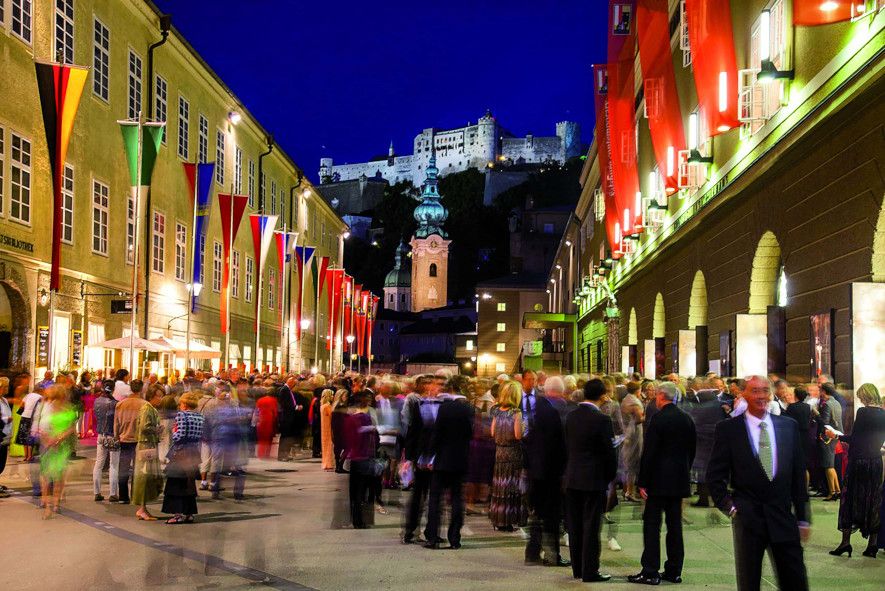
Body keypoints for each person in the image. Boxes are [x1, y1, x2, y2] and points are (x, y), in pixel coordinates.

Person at [706, 376, 810, 591]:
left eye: (765, 390)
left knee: (795, 579)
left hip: (783, 516)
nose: (761, 396)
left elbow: (798, 476)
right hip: (748, 519)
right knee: (749, 581)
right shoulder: (729, 429)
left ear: (770, 394)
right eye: (755, 391)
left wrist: (803, 518)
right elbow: (715, 475)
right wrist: (730, 507)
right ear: (744, 394)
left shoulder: (788, 427)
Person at [629, 382, 696, 585]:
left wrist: (643, 482)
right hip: (678, 480)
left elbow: (650, 452)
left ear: (660, 396)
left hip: (657, 481)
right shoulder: (686, 419)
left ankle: (650, 570)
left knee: (652, 525)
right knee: (675, 526)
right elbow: (691, 450)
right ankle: (674, 570)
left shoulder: (658, 419)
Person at [564, 378, 617, 583]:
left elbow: (566, 446)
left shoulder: (571, 416)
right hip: (593, 479)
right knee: (591, 527)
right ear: (602, 395)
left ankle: (577, 568)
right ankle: (590, 570)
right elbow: (609, 453)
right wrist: (609, 476)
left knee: (575, 525)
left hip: (573, 477)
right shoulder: (602, 420)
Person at [828, 383, 885, 558]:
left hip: (859, 462)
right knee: (873, 500)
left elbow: (856, 439)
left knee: (850, 498)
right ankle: (872, 545)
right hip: (875, 462)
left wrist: (836, 435)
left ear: (865, 396)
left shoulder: (863, 413)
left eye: (861, 397)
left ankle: (846, 543)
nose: (859, 400)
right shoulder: (883, 414)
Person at [522, 376, 568, 567]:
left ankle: (532, 552)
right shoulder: (558, 410)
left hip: (536, 469)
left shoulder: (535, 408)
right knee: (551, 515)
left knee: (537, 512)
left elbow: (527, 439)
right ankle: (552, 555)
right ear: (561, 391)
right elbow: (560, 444)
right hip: (552, 471)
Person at [424, 390, 474, 549]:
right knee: (457, 500)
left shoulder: (444, 409)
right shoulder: (468, 409)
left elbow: (437, 434)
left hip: (442, 460)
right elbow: (470, 434)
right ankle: (455, 539)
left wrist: (430, 456)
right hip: (460, 460)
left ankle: (432, 537)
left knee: (435, 500)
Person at [488, 381, 527, 532]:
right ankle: (508, 520)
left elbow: (492, 432)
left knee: (499, 486)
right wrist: (525, 427)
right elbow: (518, 435)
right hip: (512, 454)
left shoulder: (497, 411)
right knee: (510, 487)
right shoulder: (516, 413)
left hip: (499, 454)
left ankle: (498, 519)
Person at [36, 385, 78, 518]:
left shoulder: (48, 407)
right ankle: (54, 503)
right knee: (56, 475)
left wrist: (53, 439)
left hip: (51, 444)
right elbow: (71, 428)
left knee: (49, 475)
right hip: (56, 444)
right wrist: (58, 438)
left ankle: (50, 505)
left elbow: (41, 427)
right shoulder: (66, 408)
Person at [162, 392, 204, 524]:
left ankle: (178, 514)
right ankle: (189, 513)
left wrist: (174, 432)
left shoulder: (182, 415)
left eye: (180, 403)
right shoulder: (200, 416)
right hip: (194, 451)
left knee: (176, 484)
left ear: (184, 404)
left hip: (181, 452)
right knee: (188, 483)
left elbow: (178, 436)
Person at [131, 385, 164, 520]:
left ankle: (143, 508)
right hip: (146, 446)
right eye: (158, 396)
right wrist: (156, 429)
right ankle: (142, 508)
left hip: (148, 444)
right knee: (145, 476)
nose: (160, 399)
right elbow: (144, 427)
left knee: (147, 476)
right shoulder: (147, 408)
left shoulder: (150, 408)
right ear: (151, 396)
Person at [114, 379, 147, 505]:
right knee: (137, 469)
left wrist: (117, 436)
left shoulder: (121, 404)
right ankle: (135, 495)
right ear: (141, 389)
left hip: (124, 438)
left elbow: (116, 423)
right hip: (139, 439)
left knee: (123, 468)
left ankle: (123, 496)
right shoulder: (144, 404)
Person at [92, 379, 120, 502]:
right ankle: (113, 493)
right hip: (112, 435)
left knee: (99, 464)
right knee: (113, 465)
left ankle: (97, 492)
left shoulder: (97, 401)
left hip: (100, 435)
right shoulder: (115, 403)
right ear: (113, 389)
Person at [818, 383, 844, 501]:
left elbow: (825, 422)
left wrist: (816, 414)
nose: (820, 393)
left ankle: (832, 492)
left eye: (821, 390)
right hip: (836, 435)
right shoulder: (837, 403)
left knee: (828, 465)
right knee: (831, 465)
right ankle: (837, 490)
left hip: (828, 437)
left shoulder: (827, 404)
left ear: (824, 391)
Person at [620, 381, 644, 502]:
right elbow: (639, 419)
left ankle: (626, 490)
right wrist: (647, 415)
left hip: (627, 433)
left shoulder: (626, 399)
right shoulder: (634, 402)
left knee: (627, 463)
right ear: (638, 390)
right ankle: (630, 491)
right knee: (633, 463)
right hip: (634, 434)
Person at [254, 384, 279, 459]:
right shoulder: (274, 400)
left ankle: (260, 454)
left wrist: (255, 421)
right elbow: (275, 412)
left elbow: (256, 411)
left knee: (261, 438)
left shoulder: (260, 400)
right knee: (268, 438)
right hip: (269, 420)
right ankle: (266, 454)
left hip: (260, 420)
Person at [320, 389, 335, 471]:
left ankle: (325, 462)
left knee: (325, 445)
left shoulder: (322, 406)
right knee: (329, 445)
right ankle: (329, 463)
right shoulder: (328, 406)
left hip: (324, 427)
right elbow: (332, 417)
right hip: (329, 427)